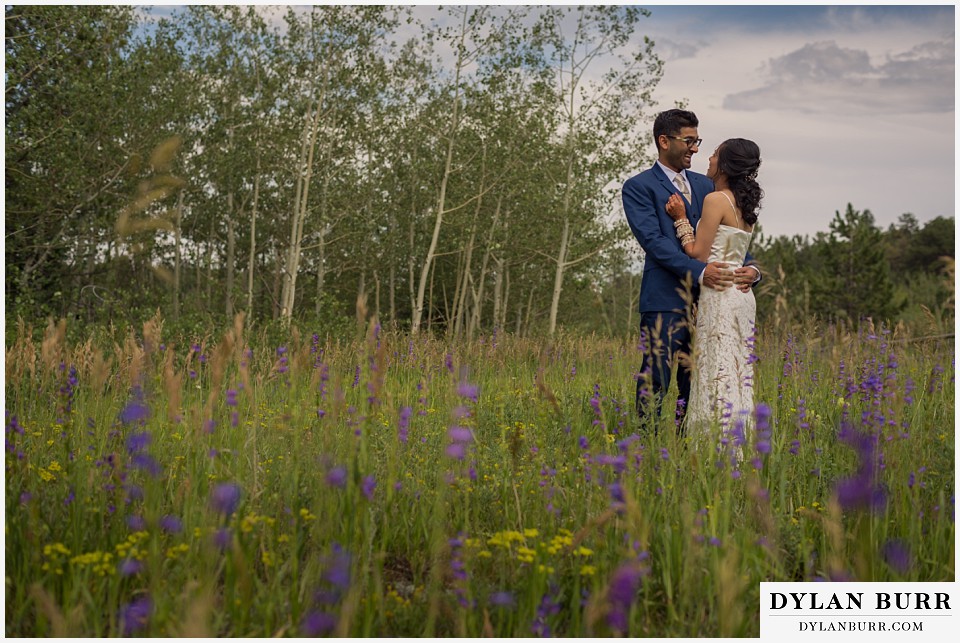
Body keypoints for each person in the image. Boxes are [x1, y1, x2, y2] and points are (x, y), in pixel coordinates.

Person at [621, 109, 759, 431]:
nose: (695, 149)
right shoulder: (639, 187)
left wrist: (752, 268)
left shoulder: (707, 185)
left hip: (712, 305)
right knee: (654, 381)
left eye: (698, 141)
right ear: (664, 140)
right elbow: (655, 242)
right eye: (689, 141)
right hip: (664, 303)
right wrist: (701, 272)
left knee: (698, 385)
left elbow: (729, 236)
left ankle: (688, 453)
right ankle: (649, 450)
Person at [665, 138, 762, 440]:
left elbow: (698, 254)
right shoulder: (744, 203)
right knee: (737, 371)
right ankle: (737, 441)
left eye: (715, 154)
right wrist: (755, 272)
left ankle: (715, 445)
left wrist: (681, 220)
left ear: (725, 165)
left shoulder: (716, 200)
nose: (708, 157)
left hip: (719, 292)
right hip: (742, 295)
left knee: (715, 369)